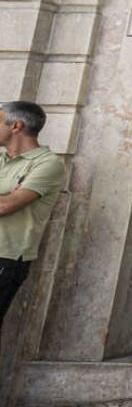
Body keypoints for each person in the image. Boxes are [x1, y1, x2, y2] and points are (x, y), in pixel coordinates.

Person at [0, 101, 68, 335]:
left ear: (15, 126)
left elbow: (7, 205)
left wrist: (9, 197)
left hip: (6, 257)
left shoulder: (48, 164)